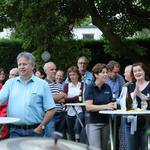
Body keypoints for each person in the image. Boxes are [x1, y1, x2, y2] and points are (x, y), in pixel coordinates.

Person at [0, 52, 56, 138]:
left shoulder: (42, 84)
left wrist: (41, 127)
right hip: (14, 131)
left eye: (24, 64)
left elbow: (51, 109)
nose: (21, 67)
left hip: (35, 132)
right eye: (19, 64)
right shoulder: (10, 83)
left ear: (32, 66)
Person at [84, 63, 115, 149]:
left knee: (104, 148)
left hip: (106, 122)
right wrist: (105, 106)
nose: (106, 74)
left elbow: (111, 104)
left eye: (106, 72)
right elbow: (88, 107)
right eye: (103, 72)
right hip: (93, 123)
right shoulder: (90, 88)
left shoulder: (108, 87)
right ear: (96, 75)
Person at [125, 62, 150, 150]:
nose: (137, 73)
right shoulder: (130, 86)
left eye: (139, 70)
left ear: (145, 71)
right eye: (135, 71)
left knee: (145, 147)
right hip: (130, 123)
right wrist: (133, 94)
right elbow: (125, 104)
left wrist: (140, 95)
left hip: (146, 124)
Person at [43, 62, 67, 138]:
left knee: (60, 141)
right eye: (52, 69)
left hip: (61, 114)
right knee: (50, 139)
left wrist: (55, 97)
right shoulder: (42, 84)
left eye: (55, 69)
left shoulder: (59, 84)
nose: (54, 71)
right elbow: (48, 99)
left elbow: (64, 98)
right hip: (50, 116)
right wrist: (60, 95)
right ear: (46, 71)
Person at [63, 66, 85, 142]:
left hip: (80, 110)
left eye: (74, 74)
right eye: (70, 75)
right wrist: (76, 98)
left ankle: (79, 143)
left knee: (77, 127)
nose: (72, 76)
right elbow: (64, 99)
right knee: (71, 131)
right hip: (69, 111)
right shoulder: (66, 86)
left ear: (78, 75)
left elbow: (82, 97)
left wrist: (70, 99)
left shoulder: (82, 85)